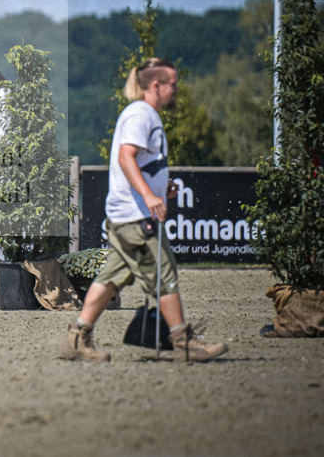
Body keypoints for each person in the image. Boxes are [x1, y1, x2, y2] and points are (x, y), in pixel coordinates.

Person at [60, 58, 228, 363]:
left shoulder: (144, 115)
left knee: (111, 276)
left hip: (127, 215)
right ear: (156, 85)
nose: (176, 90)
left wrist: (161, 190)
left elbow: (139, 163)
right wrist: (150, 196)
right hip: (135, 218)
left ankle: (76, 337)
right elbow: (127, 158)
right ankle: (182, 343)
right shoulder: (141, 115)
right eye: (173, 84)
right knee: (164, 273)